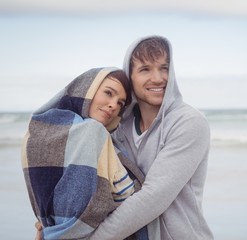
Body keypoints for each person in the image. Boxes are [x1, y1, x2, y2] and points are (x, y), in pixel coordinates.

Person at [89, 36, 214, 239]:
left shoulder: (189, 122)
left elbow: (152, 198)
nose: (158, 78)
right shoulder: (118, 127)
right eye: (145, 69)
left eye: (164, 68)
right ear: (130, 76)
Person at [22, 67, 146, 239]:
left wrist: (44, 228)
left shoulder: (37, 129)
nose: (113, 105)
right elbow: (125, 194)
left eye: (120, 103)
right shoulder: (94, 132)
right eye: (109, 93)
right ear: (87, 89)